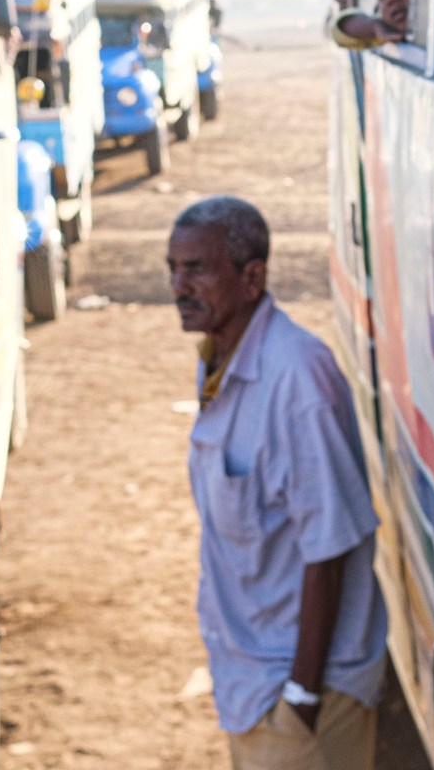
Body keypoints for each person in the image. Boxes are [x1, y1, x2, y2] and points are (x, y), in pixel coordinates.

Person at [169, 196, 388, 769]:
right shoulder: (218, 355)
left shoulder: (297, 377)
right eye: (173, 268)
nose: (178, 285)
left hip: (298, 693)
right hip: (250, 681)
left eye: (197, 269)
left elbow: (331, 546)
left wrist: (301, 698)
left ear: (252, 277)